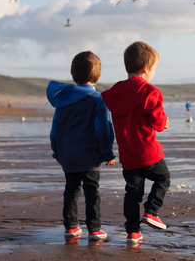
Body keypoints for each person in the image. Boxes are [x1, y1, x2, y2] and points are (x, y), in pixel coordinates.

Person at [101, 41, 170, 245]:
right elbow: (157, 122)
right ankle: (152, 211)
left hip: (128, 155)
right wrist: (164, 123)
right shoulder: (150, 91)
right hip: (148, 152)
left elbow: (106, 100)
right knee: (163, 179)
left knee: (132, 193)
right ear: (146, 69)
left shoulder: (116, 91)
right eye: (155, 69)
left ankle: (133, 232)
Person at [46, 51, 116, 241]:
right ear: (98, 76)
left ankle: (71, 227)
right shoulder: (98, 100)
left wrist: (57, 152)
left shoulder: (63, 102)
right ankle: (94, 229)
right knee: (92, 191)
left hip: (68, 155)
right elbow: (103, 129)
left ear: (73, 74)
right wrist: (107, 152)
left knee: (71, 190)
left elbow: (55, 130)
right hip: (90, 156)